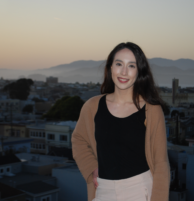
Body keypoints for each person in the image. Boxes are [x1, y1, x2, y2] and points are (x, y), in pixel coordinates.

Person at [72, 42, 170, 201]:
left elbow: (161, 163)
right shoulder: (92, 106)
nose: (124, 72)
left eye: (131, 65)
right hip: (103, 190)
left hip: (139, 189)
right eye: (119, 64)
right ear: (110, 67)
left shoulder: (151, 110)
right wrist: (90, 167)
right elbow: (78, 139)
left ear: (139, 72)